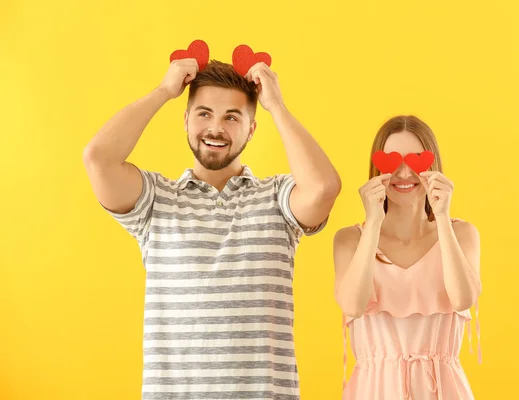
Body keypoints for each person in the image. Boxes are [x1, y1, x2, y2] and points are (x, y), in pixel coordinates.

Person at [83, 56, 341, 399]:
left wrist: (276, 106)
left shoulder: (278, 199)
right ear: (186, 119)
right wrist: (163, 91)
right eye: (204, 113)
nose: (215, 128)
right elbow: (98, 159)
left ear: (251, 128)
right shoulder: (156, 201)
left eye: (231, 117)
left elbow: (323, 188)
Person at [334, 115, 481, 399]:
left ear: (433, 165)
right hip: (373, 390)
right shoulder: (350, 239)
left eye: (415, 160)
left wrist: (441, 216)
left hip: (443, 389)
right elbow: (353, 304)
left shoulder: (462, 233)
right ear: (377, 168)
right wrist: (373, 221)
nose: (403, 173)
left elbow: (464, 298)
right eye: (391, 160)